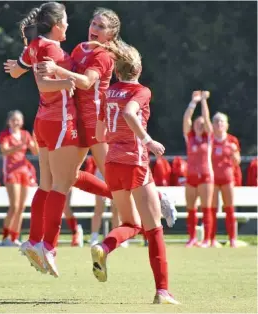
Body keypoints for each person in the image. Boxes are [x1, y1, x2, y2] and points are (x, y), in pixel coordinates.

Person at [36, 7, 177, 231]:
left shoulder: (104, 55)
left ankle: (156, 200)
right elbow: (66, 72)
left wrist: (56, 70)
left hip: (97, 125)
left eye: (101, 27)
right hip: (76, 121)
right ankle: (155, 200)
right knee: (69, 177)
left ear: (111, 34)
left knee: (115, 182)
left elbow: (85, 82)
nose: (94, 28)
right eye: (93, 24)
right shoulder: (80, 48)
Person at [4, 2, 113, 277]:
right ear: (55, 25)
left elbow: (16, 72)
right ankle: (47, 247)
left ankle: (32, 241)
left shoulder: (36, 45)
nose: (68, 25)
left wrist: (17, 67)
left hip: (43, 121)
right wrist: (67, 82)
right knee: (61, 186)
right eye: (64, 21)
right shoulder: (51, 48)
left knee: (48, 183)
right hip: (61, 121)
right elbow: (44, 84)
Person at [91, 42, 179, 304]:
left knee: (130, 224)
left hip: (112, 163)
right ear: (138, 67)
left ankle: (103, 246)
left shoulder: (108, 93)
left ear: (117, 72)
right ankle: (162, 291)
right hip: (135, 162)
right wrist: (147, 140)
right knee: (154, 229)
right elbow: (130, 112)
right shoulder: (141, 91)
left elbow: (99, 135)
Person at [0, 110, 39, 246]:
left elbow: (35, 151)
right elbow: (4, 151)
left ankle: (14, 237)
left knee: (21, 207)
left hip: (24, 172)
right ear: (9, 121)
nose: (16, 122)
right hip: (11, 172)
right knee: (14, 206)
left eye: (18, 120)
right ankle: (5, 237)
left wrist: (35, 140)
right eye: (13, 120)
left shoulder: (25, 134)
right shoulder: (5, 135)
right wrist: (19, 146)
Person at [183, 91, 214, 248]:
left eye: (202, 125)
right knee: (191, 208)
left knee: (206, 208)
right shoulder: (189, 137)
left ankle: (207, 239)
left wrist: (203, 101)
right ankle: (192, 238)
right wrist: (193, 102)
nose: (200, 126)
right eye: (198, 123)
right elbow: (187, 119)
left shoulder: (208, 138)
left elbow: (207, 119)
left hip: (206, 176)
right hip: (191, 176)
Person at [210, 112, 241, 248]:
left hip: (228, 178)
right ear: (212, 124)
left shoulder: (232, 140)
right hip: (212, 179)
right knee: (211, 210)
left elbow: (237, 161)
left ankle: (232, 239)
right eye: (216, 121)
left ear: (227, 125)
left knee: (230, 209)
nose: (219, 124)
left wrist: (234, 152)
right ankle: (211, 239)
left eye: (222, 121)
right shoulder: (209, 140)